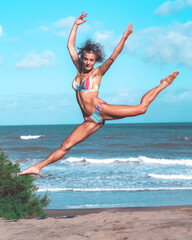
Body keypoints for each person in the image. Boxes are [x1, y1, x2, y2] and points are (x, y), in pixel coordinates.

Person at [18, 12, 179, 175]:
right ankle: (37, 167)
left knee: (141, 109)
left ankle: (163, 85)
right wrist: (75, 25)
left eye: (91, 60)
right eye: (86, 59)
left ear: (96, 61)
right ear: (83, 58)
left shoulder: (97, 74)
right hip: (89, 119)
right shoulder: (78, 68)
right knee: (66, 145)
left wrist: (124, 37)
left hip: (100, 109)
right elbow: (70, 46)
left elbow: (113, 57)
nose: (88, 62)